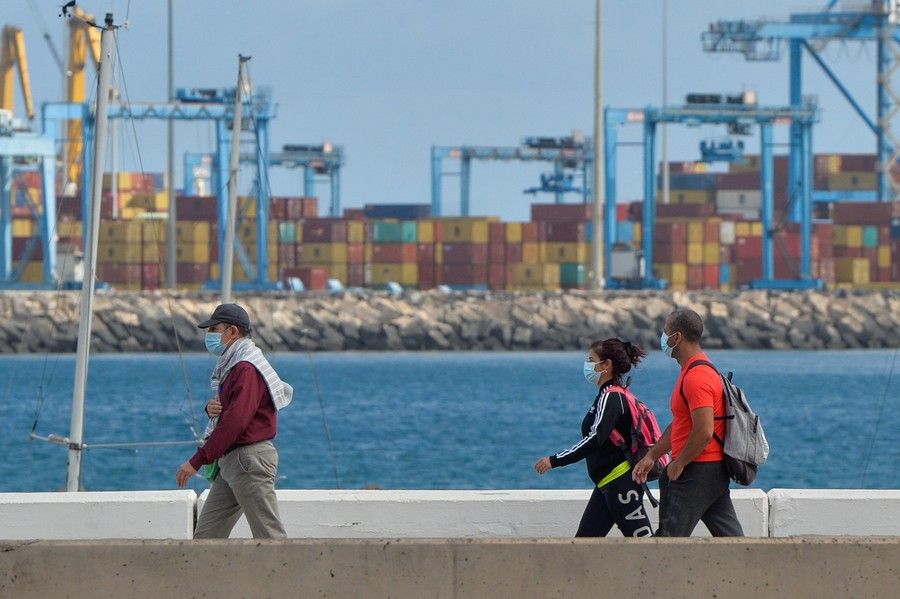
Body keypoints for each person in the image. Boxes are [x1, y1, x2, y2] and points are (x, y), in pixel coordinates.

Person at [175, 303, 293, 539]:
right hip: (232, 462)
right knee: (207, 537)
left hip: (248, 460)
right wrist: (211, 409)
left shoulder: (246, 368)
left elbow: (236, 421)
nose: (210, 336)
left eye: (214, 329)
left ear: (232, 332)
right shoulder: (234, 365)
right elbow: (232, 412)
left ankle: (287, 576)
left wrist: (197, 460)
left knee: (270, 536)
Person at [632, 308, 743, 537]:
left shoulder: (697, 376)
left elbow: (704, 430)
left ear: (677, 337)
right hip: (712, 470)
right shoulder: (696, 370)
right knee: (731, 539)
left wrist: (679, 463)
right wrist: (652, 456)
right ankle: (749, 569)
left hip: (696, 470)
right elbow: (682, 423)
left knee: (668, 542)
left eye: (665, 332)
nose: (662, 338)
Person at [534, 338, 653, 537]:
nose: (587, 365)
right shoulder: (607, 395)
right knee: (583, 546)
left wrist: (554, 460)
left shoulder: (611, 397)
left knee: (646, 549)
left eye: (591, 360)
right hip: (606, 484)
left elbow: (594, 439)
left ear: (606, 365)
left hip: (620, 485)